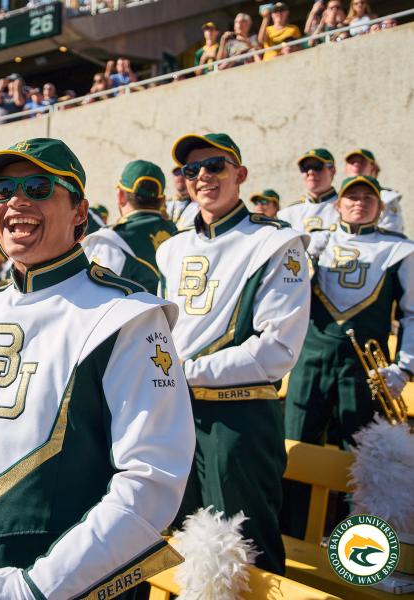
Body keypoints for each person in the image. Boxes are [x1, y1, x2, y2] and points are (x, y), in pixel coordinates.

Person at [0, 138, 194, 600]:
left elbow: (150, 483)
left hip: (74, 584)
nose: (17, 202)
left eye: (39, 187)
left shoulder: (128, 316)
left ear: (80, 213)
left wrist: (36, 587)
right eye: (3, 189)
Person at [158, 132, 310, 574]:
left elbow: (277, 350)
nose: (202, 176)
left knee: (244, 556)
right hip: (177, 417)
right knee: (179, 547)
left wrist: (185, 373)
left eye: (215, 166)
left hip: (238, 421)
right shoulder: (172, 248)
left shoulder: (276, 242)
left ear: (239, 174)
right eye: (191, 170)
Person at [282, 175, 413, 539]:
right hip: (310, 359)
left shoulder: (399, 248)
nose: (359, 202)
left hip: (361, 368)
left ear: (380, 207)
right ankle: (291, 534)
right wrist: (305, 255)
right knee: (296, 443)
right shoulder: (315, 243)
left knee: (355, 454)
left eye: (367, 197)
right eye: (351, 196)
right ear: (337, 204)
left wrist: (404, 367)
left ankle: (347, 540)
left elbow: (412, 313)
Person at [83, 160, 178, 294]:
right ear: (162, 200)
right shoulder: (180, 234)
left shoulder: (110, 240)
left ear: (121, 196)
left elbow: (93, 298)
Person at [278, 148, 339, 232]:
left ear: (332, 171)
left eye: (317, 167)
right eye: (305, 168)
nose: (310, 172)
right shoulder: (288, 213)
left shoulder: (347, 208)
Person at [344, 148, 404, 234]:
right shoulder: (337, 198)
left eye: (361, 161)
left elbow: (392, 232)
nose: (356, 164)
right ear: (346, 168)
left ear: (373, 168)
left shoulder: (386, 198)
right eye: (352, 162)